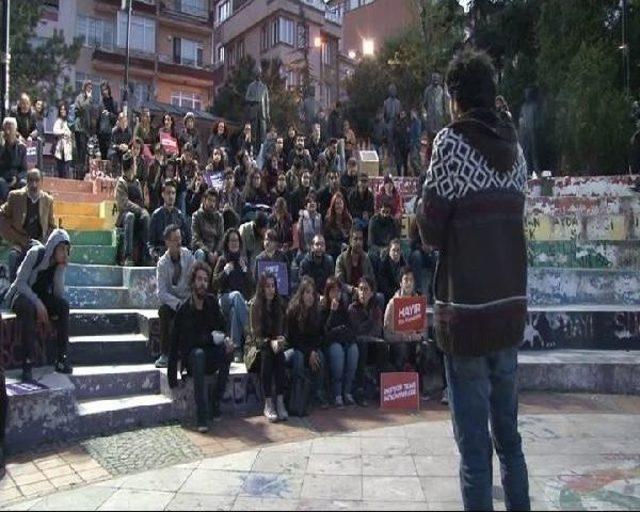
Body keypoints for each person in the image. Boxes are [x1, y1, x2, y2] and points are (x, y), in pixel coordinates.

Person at [419, 49, 530, 510]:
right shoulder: (516, 148)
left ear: (455, 98)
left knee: (475, 454)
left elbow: (428, 228)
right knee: (510, 440)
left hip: (466, 319)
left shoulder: (451, 144)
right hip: (508, 312)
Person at [168, 261, 234, 433]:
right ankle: (202, 414)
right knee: (198, 354)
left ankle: (216, 401)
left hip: (210, 355)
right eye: (199, 279)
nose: (203, 283)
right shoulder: (184, 309)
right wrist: (172, 379)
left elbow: (223, 326)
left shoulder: (212, 303)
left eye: (205, 280)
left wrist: (226, 340)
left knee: (227, 351)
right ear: (192, 282)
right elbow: (176, 343)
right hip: (193, 359)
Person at [5, 229, 72, 382]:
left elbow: (58, 294)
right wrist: (38, 303)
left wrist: (61, 269)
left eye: (67, 249)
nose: (64, 252)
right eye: (61, 248)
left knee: (63, 306)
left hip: (39, 297)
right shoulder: (36, 253)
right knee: (29, 307)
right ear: (53, 246)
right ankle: (27, 364)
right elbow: (20, 282)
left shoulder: (57, 265)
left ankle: (62, 359)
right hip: (20, 295)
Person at [245, 272, 288, 422]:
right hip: (256, 349)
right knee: (268, 354)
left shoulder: (279, 304)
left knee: (280, 355)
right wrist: (270, 342)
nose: (271, 289)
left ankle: (280, 402)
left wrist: (282, 339)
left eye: (273, 286)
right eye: (267, 286)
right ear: (262, 288)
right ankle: (268, 403)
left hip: (274, 346)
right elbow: (255, 337)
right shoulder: (255, 306)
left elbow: (283, 330)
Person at [0, 169, 54, 282]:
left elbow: (51, 226)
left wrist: (46, 242)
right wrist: (12, 235)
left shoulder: (48, 200)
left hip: (39, 243)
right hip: (19, 242)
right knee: (13, 257)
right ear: (27, 182)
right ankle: (13, 292)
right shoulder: (15, 196)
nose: (34, 185)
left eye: (37, 181)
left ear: (42, 182)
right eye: (31, 181)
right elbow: (2, 215)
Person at [155, 225, 195, 368]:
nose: (179, 242)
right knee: (163, 311)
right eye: (175, 239)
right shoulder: (162, 264)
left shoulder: (188, 256)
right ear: (167, 242)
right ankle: (165, 354)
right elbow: (161, 292)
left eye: (180, 238)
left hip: (188, 299)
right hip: (173, 303)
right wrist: (177, 303)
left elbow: (195, 280)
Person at [286, 276, 327, 408]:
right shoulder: (293, 311)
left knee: (320, 355)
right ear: (301, 294)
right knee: (298, 357)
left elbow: (319, 336)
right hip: (294, 348)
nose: (310, 296)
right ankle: (297, 395)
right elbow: (293, 339)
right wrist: (309, 352)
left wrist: (313, 351)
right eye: (307, 292)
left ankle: (318, 393)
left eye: (312, 293)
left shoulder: (317, 311)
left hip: (310, 349)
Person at [212, 228, 253, 359]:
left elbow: (252, 286)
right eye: (232, 241)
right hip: (224, 298)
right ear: (227, 243)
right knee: (235, 295)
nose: (234, 243)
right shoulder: (222, 260)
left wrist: (245, 270)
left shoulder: (243, 261)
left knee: (235, 311)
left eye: (236, 240)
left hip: (239, 302)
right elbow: (214, 284)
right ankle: (250, 333)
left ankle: (236, 350)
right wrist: (225, 272)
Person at [322, 276, 357, 407]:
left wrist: (342, 332)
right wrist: (332, 312)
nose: (336, 294)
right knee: (337, 351)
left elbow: (350, 329)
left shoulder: (344, 308)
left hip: (343, 341)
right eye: (333, 291)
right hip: (330, 344)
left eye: (338, 291)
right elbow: (325, 333)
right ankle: (337, 394)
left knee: (353, 350)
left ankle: (347, 392)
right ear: (327, 292)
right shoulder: (323, 308)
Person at [349, 276, 384, 407]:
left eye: (366, 289)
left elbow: (377, 330)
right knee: (362, 345)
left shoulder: (376, 308)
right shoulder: (352, 308)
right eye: (361, 289)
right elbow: (356, 330)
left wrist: (368, 326)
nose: (363, 293)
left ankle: (381, 388)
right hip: (359, 345)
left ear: (372, 292)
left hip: (373, 343)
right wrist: (370, 320)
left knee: (383, 346)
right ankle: (359, 390)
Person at [383, 267, 425, 371]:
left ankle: (419, 383)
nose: (409, 283)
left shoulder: (418, 303)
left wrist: (416, 337)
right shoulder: (392, 304)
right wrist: (402, 337)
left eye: (411, 280)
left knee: (424, 348)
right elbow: (386, 334)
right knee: (402, 348)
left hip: (413, 342)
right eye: (406, 279)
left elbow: (423, 333)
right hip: (397, 344)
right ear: (401, 283)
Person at [115, 151, 150, 266]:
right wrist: (139, 210)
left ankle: (145, 255)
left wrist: (143, 210)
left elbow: (141, 200)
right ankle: (127, 256)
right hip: (125, 216)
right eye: (134, 164)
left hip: (138, 213)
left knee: (146, 217)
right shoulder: (121, 183)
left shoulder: (137, 182)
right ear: (131, 166)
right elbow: (123, 203)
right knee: (130, 216)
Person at [148, 180, 192, 263]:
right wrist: (156, 256)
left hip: (178, 253)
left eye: (173, 193)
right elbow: (151, 243)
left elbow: (188, 241)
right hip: (161, 253)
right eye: (168, 193)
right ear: (163, 195)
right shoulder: (156, 215)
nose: (171, 196)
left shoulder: (180, 215)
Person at [335, 227, 376, 299]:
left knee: (380, 297)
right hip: (349, 293)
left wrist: (367, 291)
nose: (358, 242)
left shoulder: (366, 258)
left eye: (361, 239)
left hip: (364, 291)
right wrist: (353, 289)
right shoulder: (341, 259)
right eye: (355, 239)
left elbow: (372, 280)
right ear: (350, 241)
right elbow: (339, 283)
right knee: (344, 297)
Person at [192, 188, 224, 267]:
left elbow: (221, 237)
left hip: (215, 249)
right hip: (202, 248)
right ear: (204, 200)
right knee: (200, 254)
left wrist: (216, 252)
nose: (212, 204)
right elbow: (196, 238)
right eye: (209, 200)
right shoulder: (197, 216)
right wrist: (208, 252)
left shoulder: (219, 217)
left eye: (214, 201)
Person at [0, 117, 27, 201]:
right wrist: (3, 147)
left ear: (15, 130)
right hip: (3, 177)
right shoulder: (1, 146)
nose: (8, 132)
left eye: (10, 129)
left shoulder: (21, 147)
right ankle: (7, 206)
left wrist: (17, 178)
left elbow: (24, 170)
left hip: (15, 178)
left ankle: (18, 209)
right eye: (6, 129)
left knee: (23, 183)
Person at [323, 191, 352, 262]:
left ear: (343, 205)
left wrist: (348, 246)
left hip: (347, 249)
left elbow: (351, 236)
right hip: (333, 250)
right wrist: (339, 245)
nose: (339, 206)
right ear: (333, 206)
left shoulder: (348, 218)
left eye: (340, 203)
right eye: (337, 204)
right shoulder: (328, 220)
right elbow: (326, 240)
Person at [74, 80, 94, 178]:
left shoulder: (90, 100)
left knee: (84, 153)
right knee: (80, 152)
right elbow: (81, 108)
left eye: (91, 88)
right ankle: (78, 174)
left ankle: (81, 174)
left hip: (86, 130)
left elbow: (90, 114)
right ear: (84, 87)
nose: (90, 90)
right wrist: (88, 98)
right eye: (88, 87)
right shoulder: (80, 97)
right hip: (79, 128)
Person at [297, 191, 323, 256]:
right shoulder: (302, 217)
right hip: (304, 251)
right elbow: (300, 238)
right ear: (305, 206)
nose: (312, 203)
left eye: (314, 202)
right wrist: (307, 249)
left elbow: (321, 234)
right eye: (309, 202)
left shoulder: (319, 217)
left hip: (318, 249)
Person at [97, 82, 118, 160]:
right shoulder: (100, 104)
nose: (104, 92)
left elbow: (116, 118)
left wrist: (108, 114)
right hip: (101, 134)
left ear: (109, 90)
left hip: (110, 134)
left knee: (110, 156)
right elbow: (98, 120)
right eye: (102, 90)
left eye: (105, 89)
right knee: (102, 156)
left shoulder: (114, 103)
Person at [52, 103, 74, 178]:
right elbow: (55, 131)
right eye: (61, 109)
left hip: (67, 148)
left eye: (64, 109)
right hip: (60, 149)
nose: (62, 111)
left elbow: (71, 133)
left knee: (66, 171)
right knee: (59, 171)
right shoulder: (58, 121)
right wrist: (63, 132)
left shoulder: (69, 121)